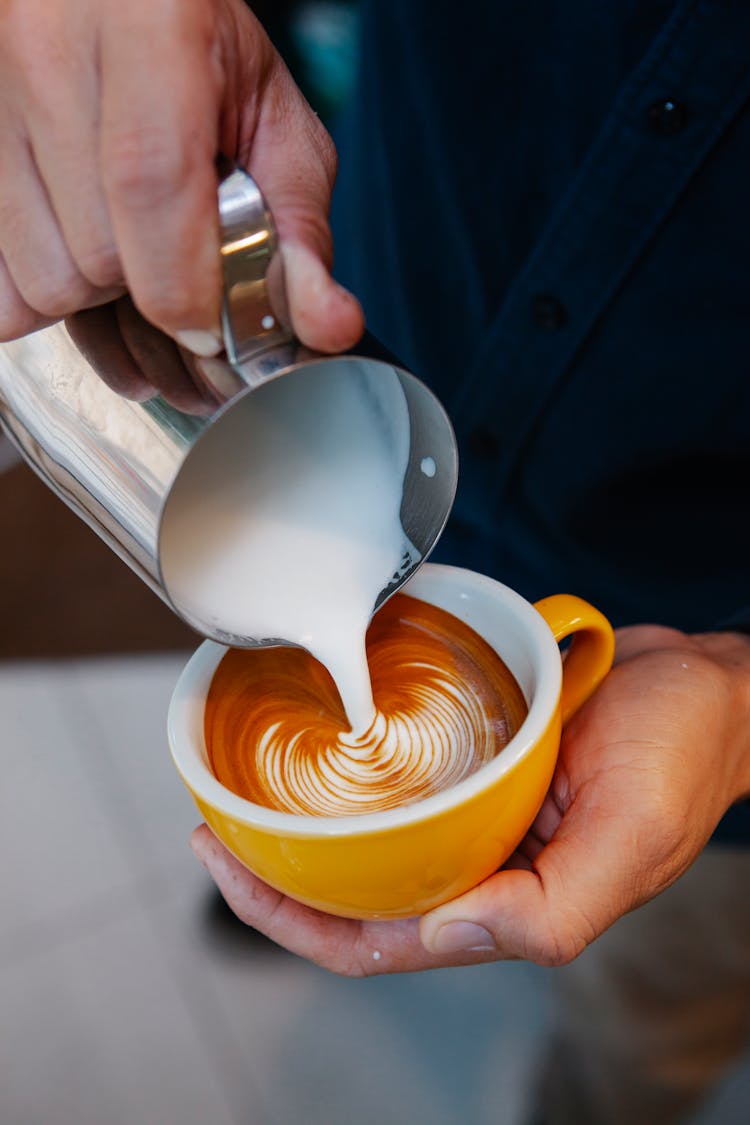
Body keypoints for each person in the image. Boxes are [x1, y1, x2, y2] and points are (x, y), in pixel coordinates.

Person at [2, 2, 750, 1121]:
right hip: (365, 375)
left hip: (700, 637)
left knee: (642, 1024)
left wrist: (738, 699)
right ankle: (317, 859)